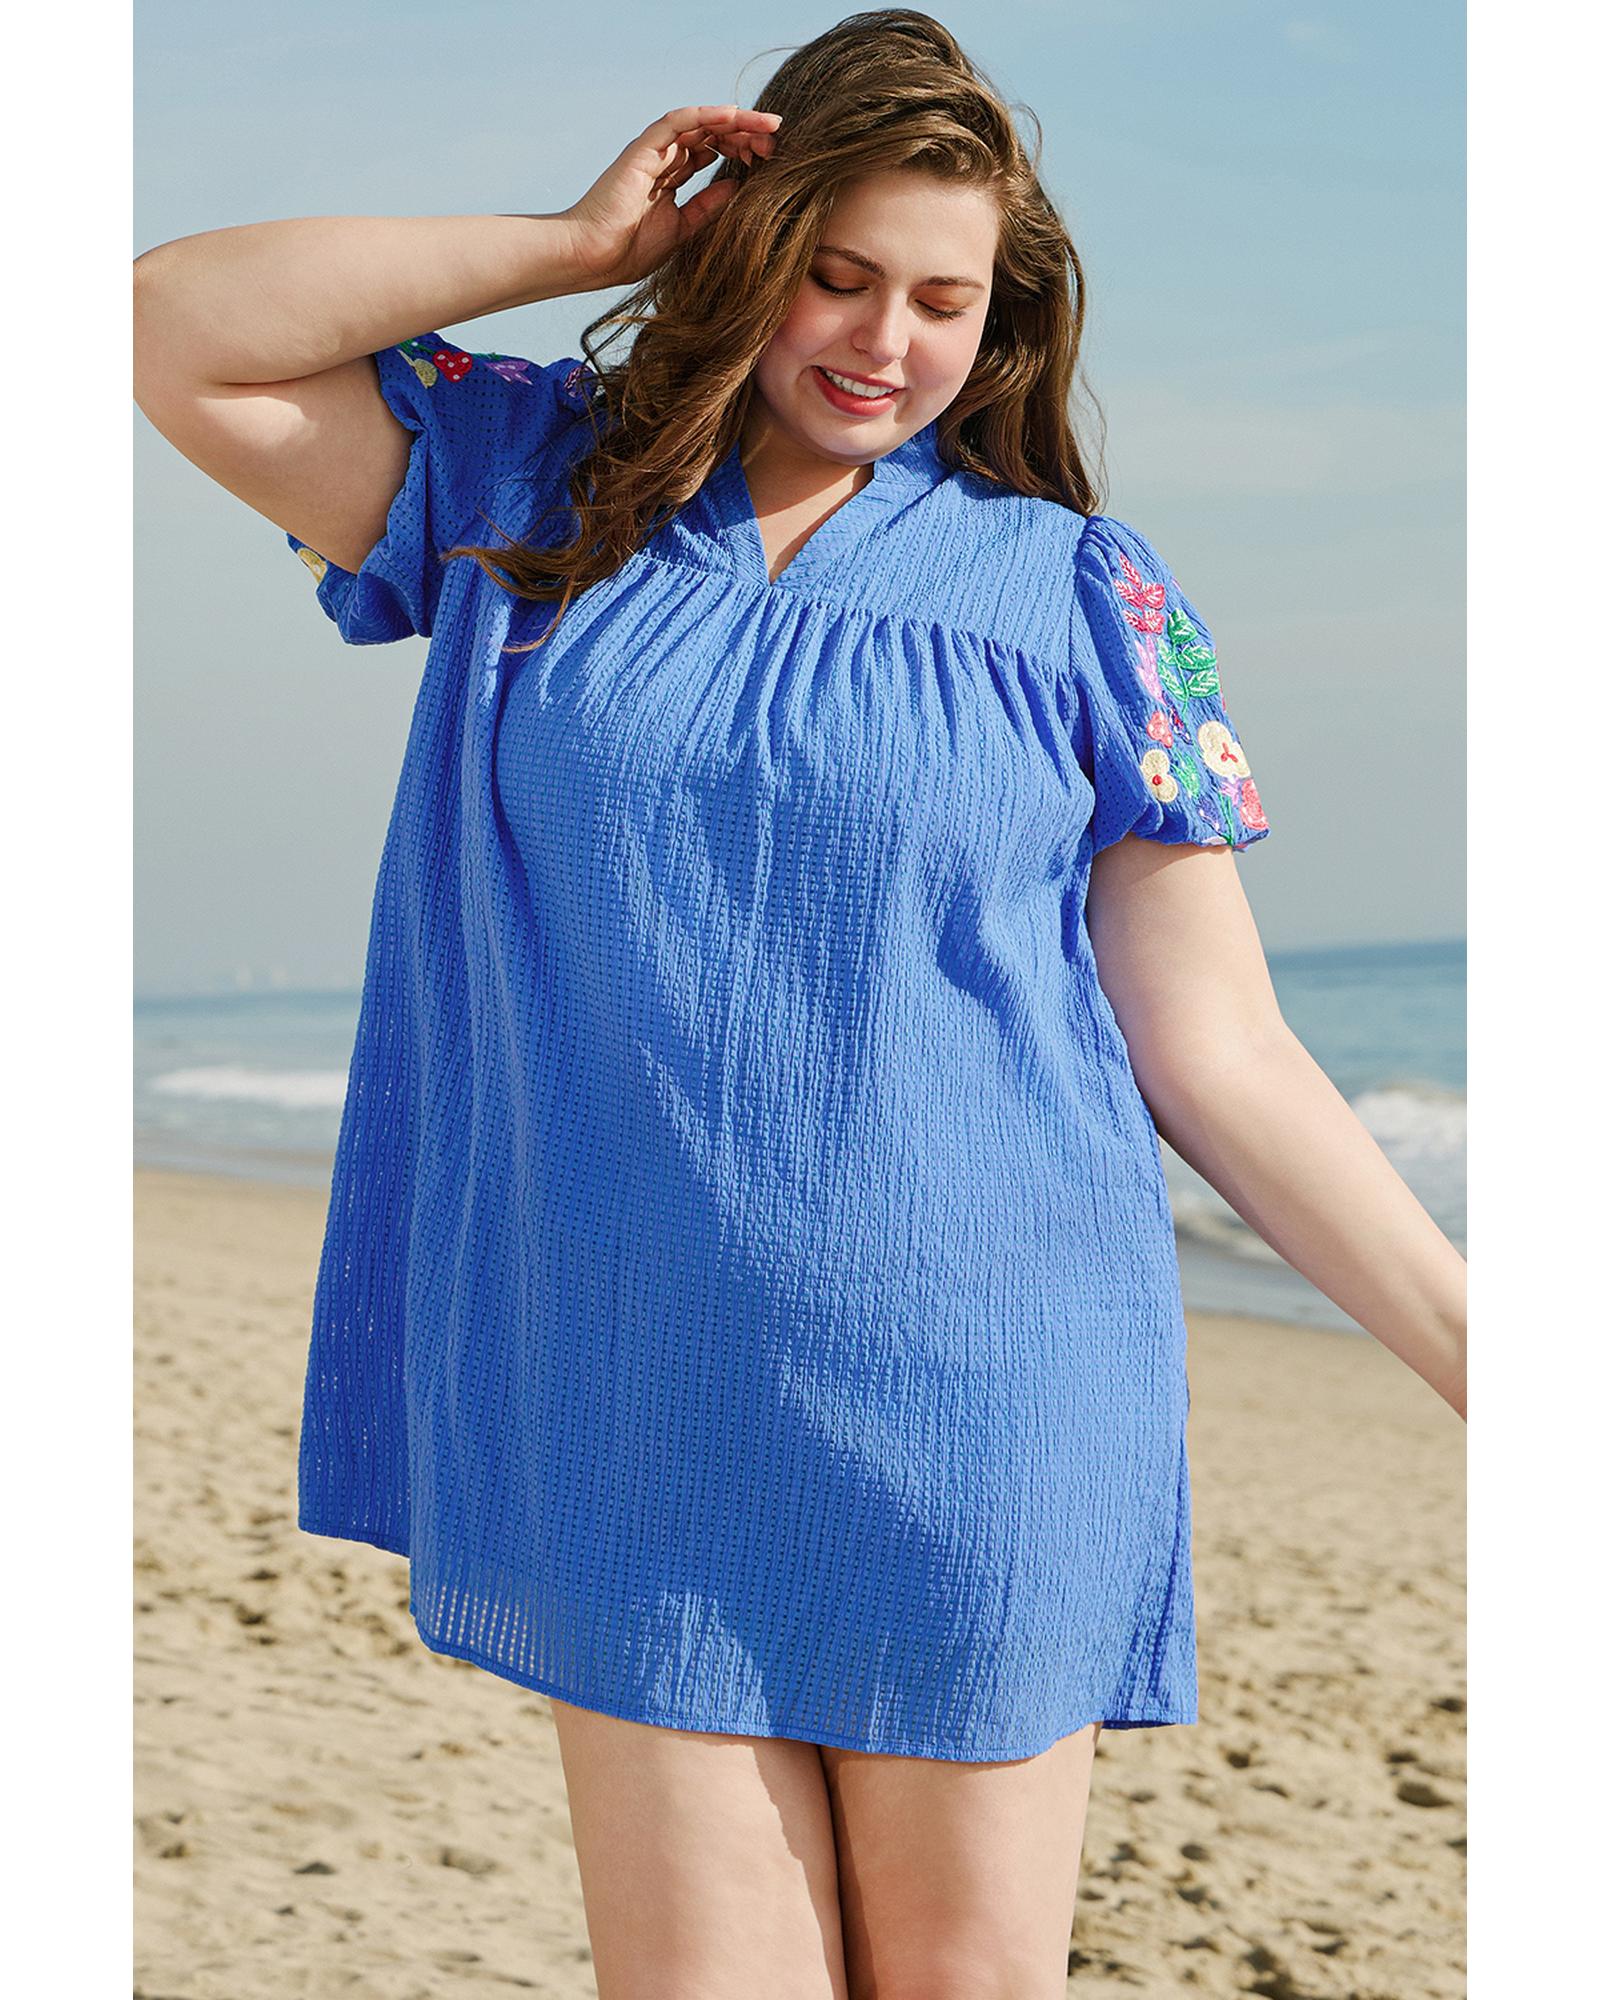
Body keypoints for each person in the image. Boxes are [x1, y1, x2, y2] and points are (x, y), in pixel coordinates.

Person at [132, 10, 1467, 1996]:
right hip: (629, 1399)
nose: (882, 340)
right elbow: (172, 327)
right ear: (744, 251)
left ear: (999, 319)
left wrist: (1486, 1357)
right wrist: (578, 244)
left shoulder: (1081, 591)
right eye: (835, 273)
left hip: (984, 1402)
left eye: (941, 298)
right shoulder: (530, 492)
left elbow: (1216, 1048)